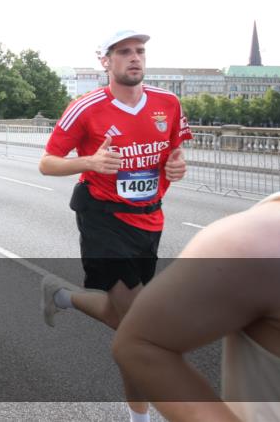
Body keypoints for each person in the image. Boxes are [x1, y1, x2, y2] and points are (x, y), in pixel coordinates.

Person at [111, 167, 280, 422]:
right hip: (110, 218)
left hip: (140, 223)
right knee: (119, 301)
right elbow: (141, 343)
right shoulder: (275, 237)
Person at [38, 30, 190, 422]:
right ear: (105, 61)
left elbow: (175, 152)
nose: (134, 58)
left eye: (139, 51)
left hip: (149, 220)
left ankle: (63, 296)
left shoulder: (167, 103)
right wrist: (89, 163)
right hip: (102, 218)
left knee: (131, 325)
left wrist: (176, 165)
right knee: (142, 331)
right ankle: (140, 417)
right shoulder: (85, 107)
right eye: (124, 52)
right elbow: (48, 162)